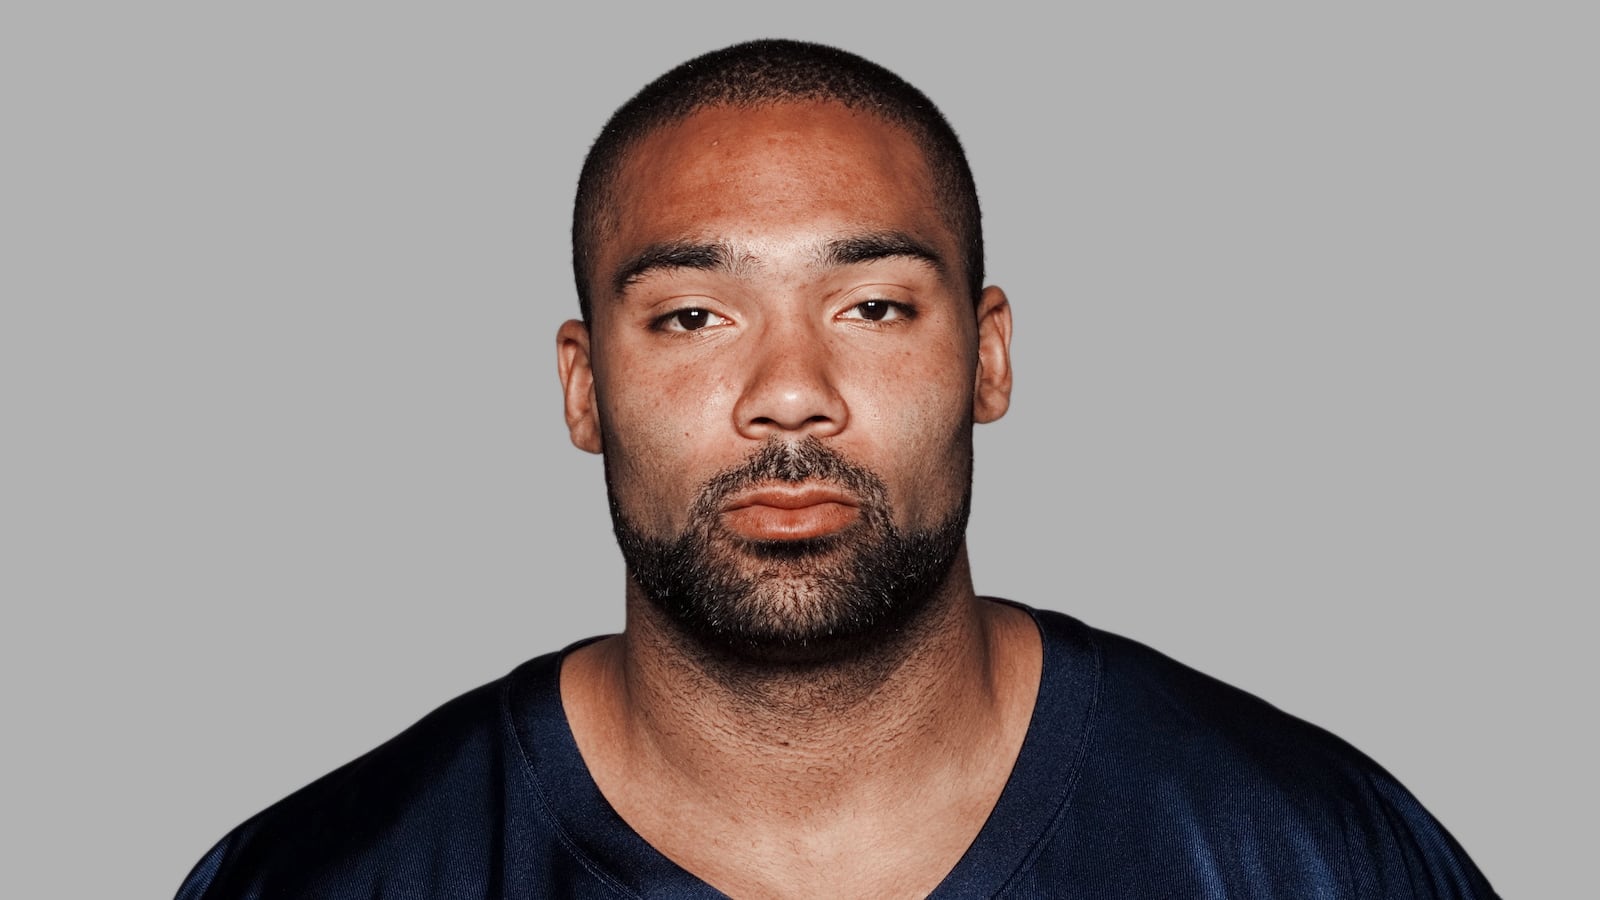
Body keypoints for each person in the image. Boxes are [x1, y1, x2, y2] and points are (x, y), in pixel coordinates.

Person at [176, 39, 1498, 899]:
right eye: (694, 316)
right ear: (584, 386)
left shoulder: (1312, 860)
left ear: (987, 359)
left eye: (873, 307)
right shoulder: (327, 879)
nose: (790, 394)